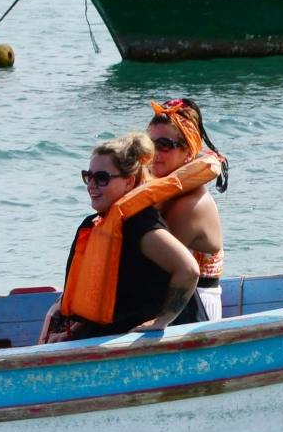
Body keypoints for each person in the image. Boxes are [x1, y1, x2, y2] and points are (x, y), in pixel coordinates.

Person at [53, 134, 201, 339]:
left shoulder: (141, 225)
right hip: (113, 334)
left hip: (157, 340)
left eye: (102, 178)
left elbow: (189, 269)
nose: (91, 185)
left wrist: (161, 321)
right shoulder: (94, 224)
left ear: (129, 182)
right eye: (88, 176)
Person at [146, 99, 228, 322]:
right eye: (149, 144)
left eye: (164, 145)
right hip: (166, 295)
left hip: (193, 306)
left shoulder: (191, 205)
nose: (154, 153)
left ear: (189, 153)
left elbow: (152, 268)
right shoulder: (161, 191)